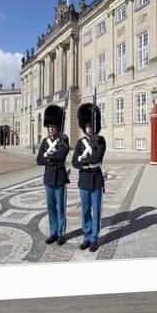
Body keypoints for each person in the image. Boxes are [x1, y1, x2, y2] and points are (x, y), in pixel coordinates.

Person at [72, 103, 106, 252]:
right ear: (83, 126)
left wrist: (83, 159)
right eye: (87, 126)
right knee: (85, 210)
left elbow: (97, 159)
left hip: (96, 180)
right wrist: (84, 163)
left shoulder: (100, 140)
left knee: (96, 211)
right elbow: (74, 162)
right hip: (84, 180)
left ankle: (94, 238)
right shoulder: (80, 143)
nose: (89, 128)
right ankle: (86, 236)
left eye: (91, 125)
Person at [36, 105, 70, 246]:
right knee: (50, 207)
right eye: (49, 126)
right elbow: (39, 160)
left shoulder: (63, 139)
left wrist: (49, 157)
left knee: (60, 207)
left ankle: (61, 233)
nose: (51, 128)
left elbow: (62, 154)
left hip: (60, 177)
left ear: (58, 127)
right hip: (49, 178)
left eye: (53, 126)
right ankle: (53, 232)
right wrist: (50, 158)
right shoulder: (45, 142)